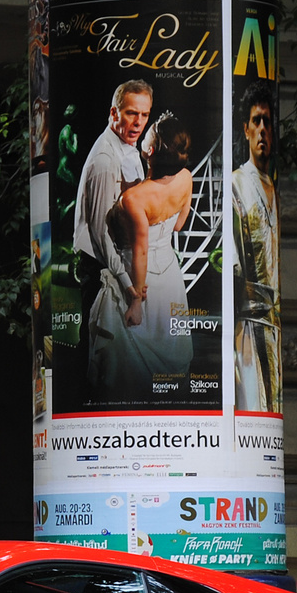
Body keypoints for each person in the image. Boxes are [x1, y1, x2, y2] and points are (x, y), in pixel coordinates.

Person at [87, 117, 195, 401]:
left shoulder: (135, 198)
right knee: (167, 346)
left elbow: (141, 250)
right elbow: (179, 224)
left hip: (142, 278)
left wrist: (135, 300)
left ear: (151, 150)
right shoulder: (186, 177)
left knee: (131, 354)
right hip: (170, 275)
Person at [74, 80, 153, 403]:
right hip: (99, 267)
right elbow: (99, 232)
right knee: (103, 358)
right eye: (131, 113)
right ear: (113, 113)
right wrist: (127, 283)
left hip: (118, 262)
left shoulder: (128, 145)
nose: (138, 122)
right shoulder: (105, 160)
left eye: (144, 115)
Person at [231, 81, 280, 412]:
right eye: (256, 121)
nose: (262, 129)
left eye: (267, 122)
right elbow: (233, 265)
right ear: (246, 129)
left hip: (275, 328)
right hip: (249, 328)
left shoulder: (275, 187)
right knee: (253, 407)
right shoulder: (237, 183)